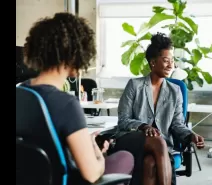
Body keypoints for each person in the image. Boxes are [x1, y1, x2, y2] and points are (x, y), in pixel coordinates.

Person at [20, 12, 134, 184]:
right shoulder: (66, 104)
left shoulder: (21, 92)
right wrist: (98, 153)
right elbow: (92, 174)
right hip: (68, 180)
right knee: (125, 157)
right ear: (75, 54)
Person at [112, 32, 205, 185]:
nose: (171, 65)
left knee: (150, 163)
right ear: (153, 62)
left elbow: (177, 124)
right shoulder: (134, 86)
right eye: (166, 60)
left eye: (172, 61)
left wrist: (191, 135)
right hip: (132, 140)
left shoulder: (175, 90)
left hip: (159, 150)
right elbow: (123, 121)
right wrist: (143, 126)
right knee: (159, 141)